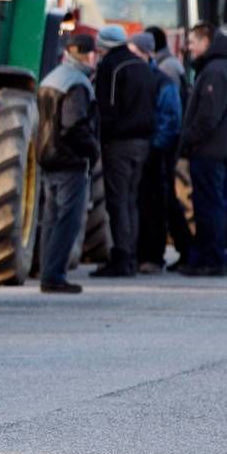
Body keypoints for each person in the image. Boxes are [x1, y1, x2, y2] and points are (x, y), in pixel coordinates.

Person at [37, 33, 102, 293]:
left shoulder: (52, 77)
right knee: (68, 220)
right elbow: (73, 124)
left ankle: (47, 273)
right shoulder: (77, 83)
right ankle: (54, 276)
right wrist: (92, 148)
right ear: (88, 54)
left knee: (52, 220)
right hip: (70, 160)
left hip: (49, 157)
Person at [91, 24, 156, 277]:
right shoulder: (142, 66)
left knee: (117, 202)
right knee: (131, 201)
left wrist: (101, 139)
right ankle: (131, 255)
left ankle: (122, 257)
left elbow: (106, 108)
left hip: (119, 143)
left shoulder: (112, 67)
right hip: (143, 143)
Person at [178, 24, 227, 277]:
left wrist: (188, 142)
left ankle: (212, 260)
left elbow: (207, 117)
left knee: (210, 206)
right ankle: (215, 257)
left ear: (206, 41)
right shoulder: (222, 68)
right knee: (218, 204)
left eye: (193, 41)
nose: (189, 47)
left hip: (209, 151)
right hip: (219, 150)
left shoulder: (214, 71)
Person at [135, 31, 183, 273]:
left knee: (156, 203)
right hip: (145, 148)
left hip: (157, 151)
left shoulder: (163, 80)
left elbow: (171, 118)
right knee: (142, 202)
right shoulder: (144, 77)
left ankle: (154, 255)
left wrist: (155, 147)